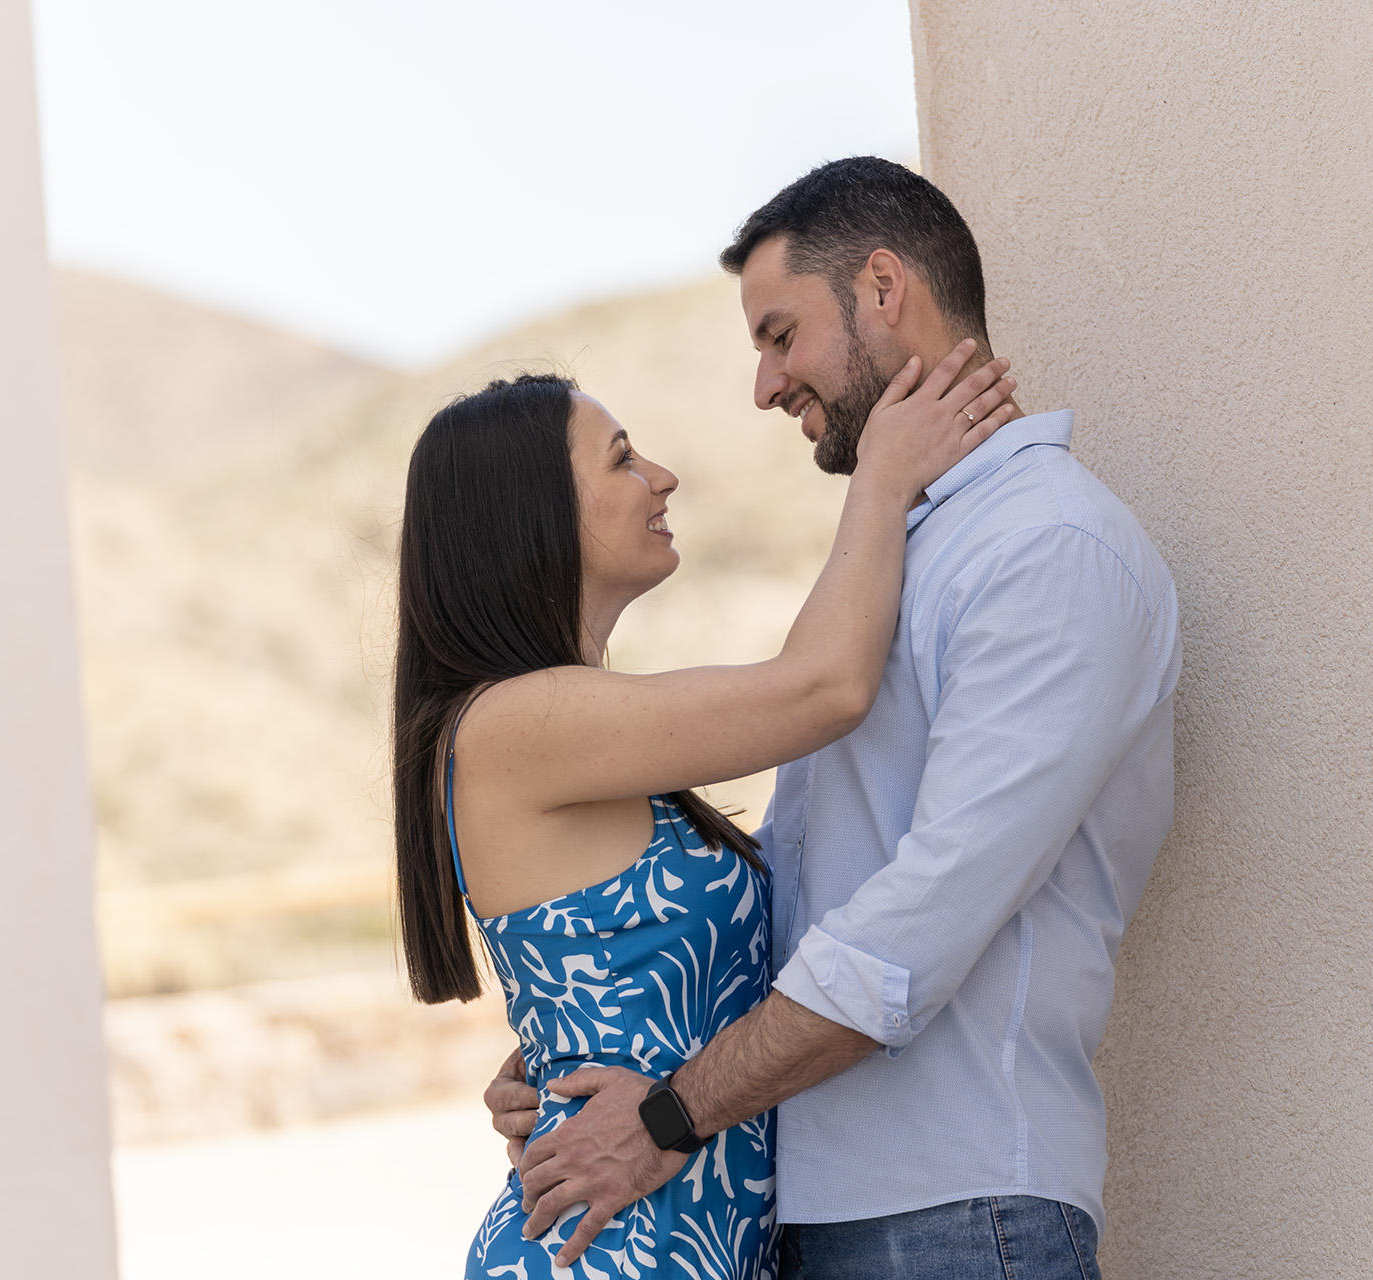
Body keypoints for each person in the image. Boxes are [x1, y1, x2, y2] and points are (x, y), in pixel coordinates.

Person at [483, 157, 1182, 1279]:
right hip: (817, 1209)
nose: (765, 386)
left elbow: (916, 924)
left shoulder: (1050, 548)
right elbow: (798, 884)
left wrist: (665, 1115)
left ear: (883, 289)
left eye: (780, 335)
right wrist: (584, 1040)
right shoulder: (902, 550)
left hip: (958, 1212)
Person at [395, 347, 1021, 1277]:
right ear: (531, 514)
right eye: (621, 458)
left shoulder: (566, 732)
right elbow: (824, 688)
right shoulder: (516, 722)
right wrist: (884, 479)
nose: (662, 476)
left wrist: (548, 1060)